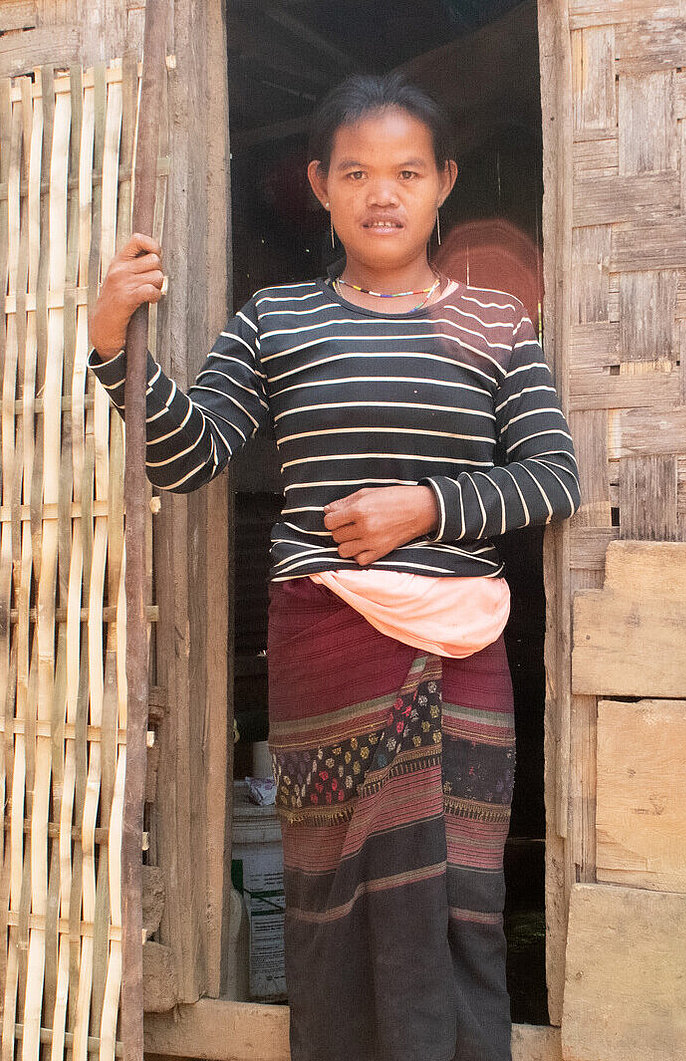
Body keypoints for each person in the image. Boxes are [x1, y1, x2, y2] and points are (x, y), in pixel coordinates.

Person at [89, 73, 580, 1061]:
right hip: (325, 646)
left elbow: (553, 478)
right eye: (355, 170)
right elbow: (191, 456)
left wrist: (427, 504)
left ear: (444, 181)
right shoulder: (277, 319)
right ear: (319, 183)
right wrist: (112, 346)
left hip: (459, 649)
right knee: (335, 894)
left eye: (406, 170)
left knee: (455, 896)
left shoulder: (498, 324)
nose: (382, 192)